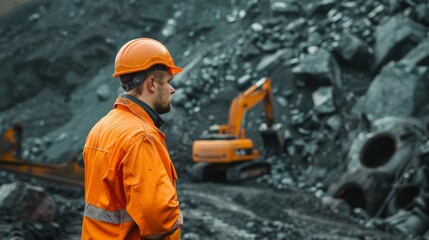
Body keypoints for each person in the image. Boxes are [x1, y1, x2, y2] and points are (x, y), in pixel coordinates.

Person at [81, 38, 183, 240]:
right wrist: (177, 218)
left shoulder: (102, 127)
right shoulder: (141, 137)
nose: (172, 90)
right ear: (152, 84)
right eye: (168, 82)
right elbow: (161, 222)